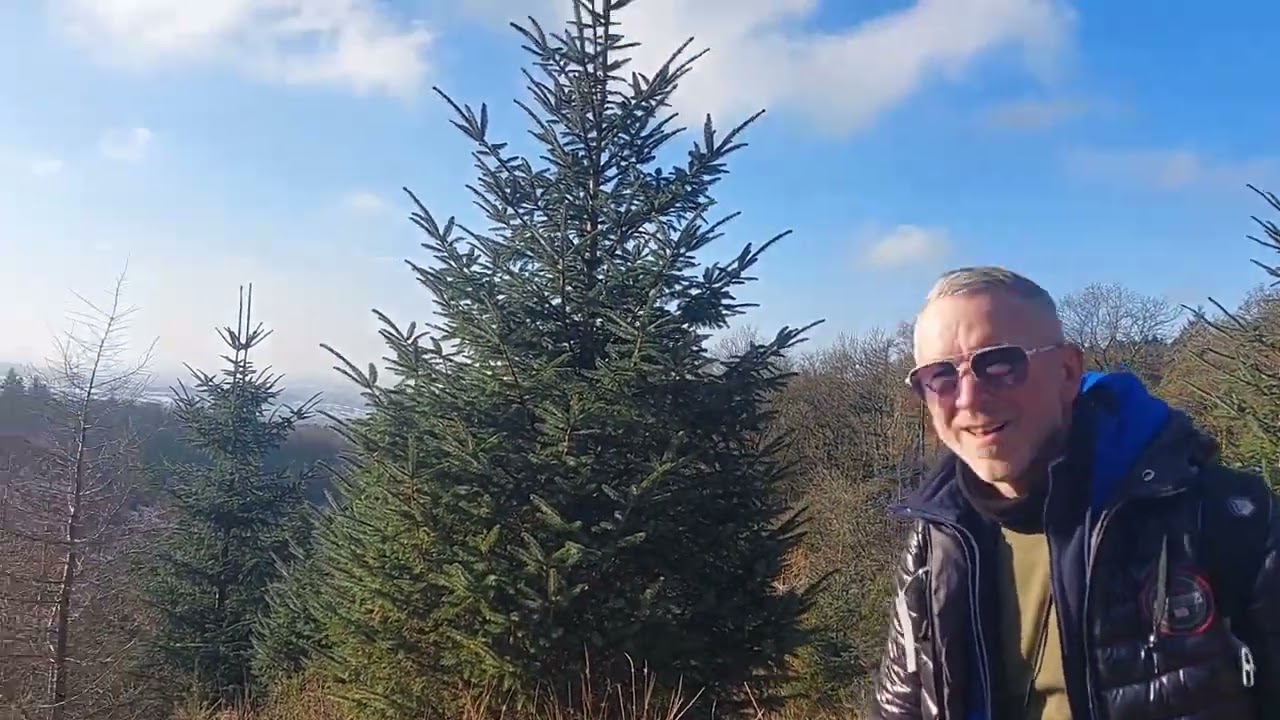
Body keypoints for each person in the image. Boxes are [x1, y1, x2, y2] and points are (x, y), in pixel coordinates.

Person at [870, 266, 1280, 720]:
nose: (968, 399)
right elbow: (902, 706)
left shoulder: (1225, 519)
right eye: (941, 376)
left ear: (1067, 371)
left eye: (1001, 364)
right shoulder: (938, 538)